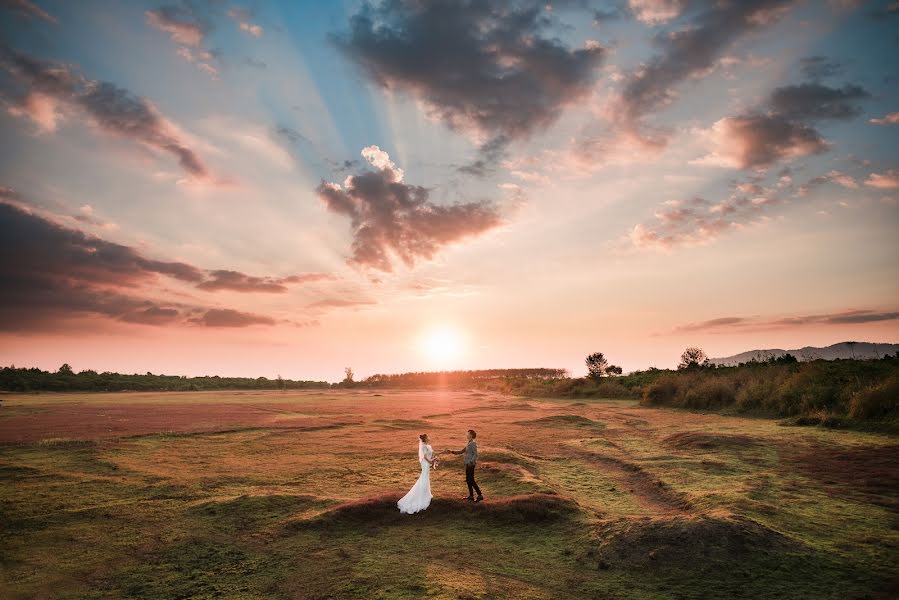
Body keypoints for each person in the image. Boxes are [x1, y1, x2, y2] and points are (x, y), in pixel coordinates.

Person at [397, 433, 436, 514]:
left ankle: (426, 492)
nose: (429, 438)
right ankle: (422, 493)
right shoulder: (424, 446)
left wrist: (433, 459)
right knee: (424, 476)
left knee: (426, 477)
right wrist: (431, 462)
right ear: (425, 439)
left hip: (427, 463)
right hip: (425, 463)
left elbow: (430, 454)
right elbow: (425, 457)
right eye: (428, 437)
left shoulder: (428, 446)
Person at [446, 429, 482, 502]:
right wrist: (452, 452)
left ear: (471, 435)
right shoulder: (469, 443)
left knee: (471, 480)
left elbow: (475, 454)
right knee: (468, 480)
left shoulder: (473, 443)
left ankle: (480, 495)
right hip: (467, 464)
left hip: (471, 464)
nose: (466, 435)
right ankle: (471, 496)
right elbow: (462, 451)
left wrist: (471, 462)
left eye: (468, 433)